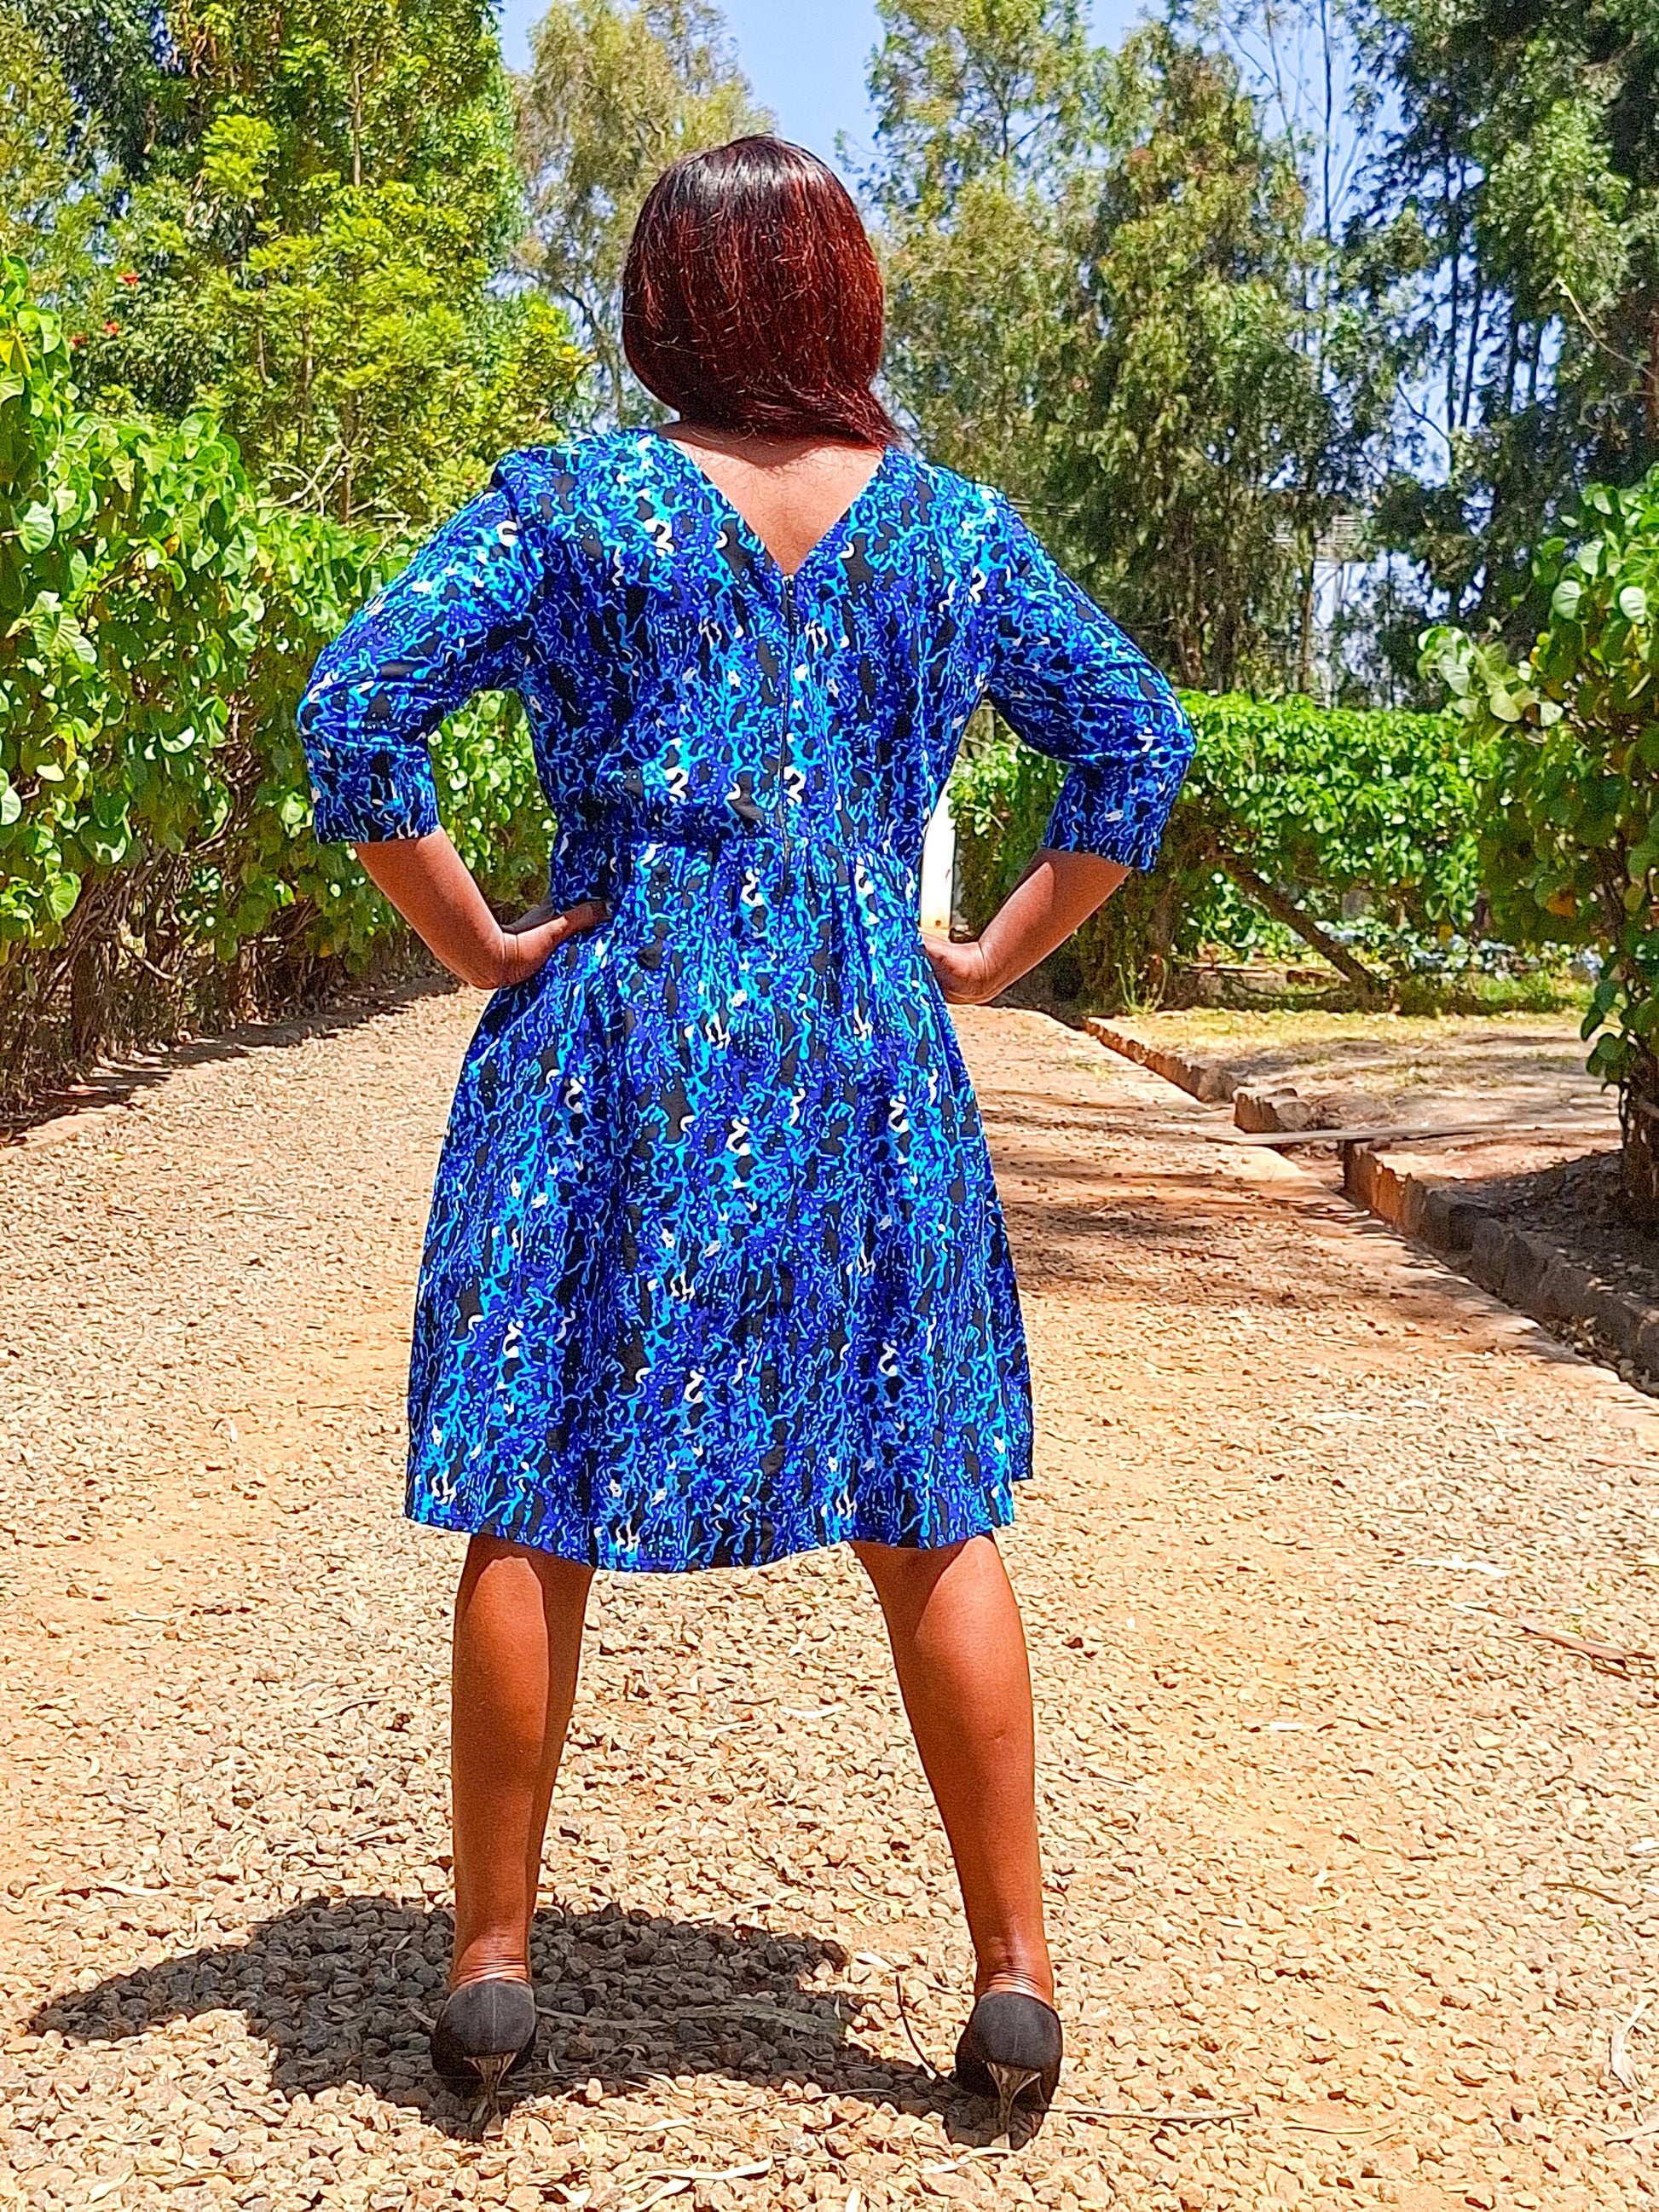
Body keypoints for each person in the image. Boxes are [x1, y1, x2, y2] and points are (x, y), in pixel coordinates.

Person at [297, 135, 1194, 2131]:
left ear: (663, 310)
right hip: (863, 1040)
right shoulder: (952, 534)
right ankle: (1015, 1975)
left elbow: (355, 709)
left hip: (612, 1031)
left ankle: (491, 1962)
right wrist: (989, 955)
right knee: (926, 1488)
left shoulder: (576, 508)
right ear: (842, 296)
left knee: (537, 1477)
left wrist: (477, 940)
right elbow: (1138, 740)